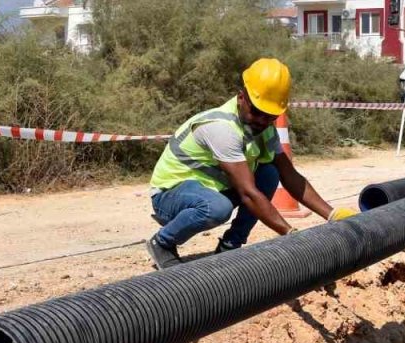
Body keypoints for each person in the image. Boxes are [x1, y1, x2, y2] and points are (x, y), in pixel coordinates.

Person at [145, 58, 357, 270]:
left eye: (270, 116)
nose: (262, 121)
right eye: (257, 112)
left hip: (212, 189)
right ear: (241, 97)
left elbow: (289, 175)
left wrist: (332, 214)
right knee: (218, 208)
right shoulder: (222, 128)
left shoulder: (265, 129)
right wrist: (290, 234)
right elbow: (248, 193)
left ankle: (230, 245)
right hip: (171, 195)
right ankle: (162, 243)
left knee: (269, 173)